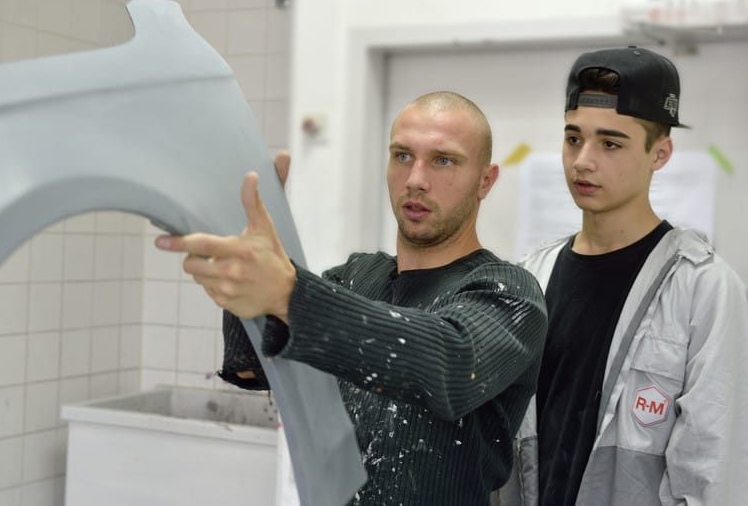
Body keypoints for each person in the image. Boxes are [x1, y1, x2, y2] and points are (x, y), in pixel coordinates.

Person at [155, 91, 548, 505]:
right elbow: (255, 368)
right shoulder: (357, 278)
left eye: (443, 160)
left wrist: (288, 292)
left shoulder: (509, 292)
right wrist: (244, 263)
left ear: (485, 180)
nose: (415, 179)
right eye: (402, 156)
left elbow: (450, 366)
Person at [496, 47, 748, 506]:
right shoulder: (530, 277)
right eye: (573, 138)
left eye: (610, 144)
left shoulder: (704, 289)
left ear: (660, 153)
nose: (583, 161)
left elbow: (716, 477)